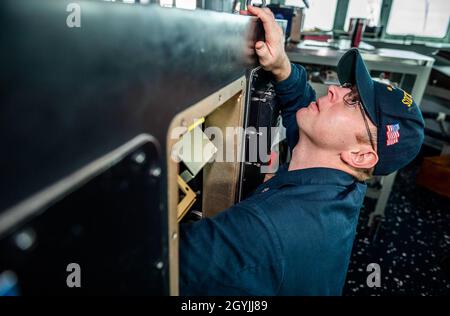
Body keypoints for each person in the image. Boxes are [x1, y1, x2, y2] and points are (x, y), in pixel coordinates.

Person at [179, 5, 425, 295]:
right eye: (348, 87)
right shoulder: (343, 178)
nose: (334, 89)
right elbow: (302, 102)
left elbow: (154, 264)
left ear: (360, 155)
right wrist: (281, 64)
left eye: (353, 101)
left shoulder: (262, 229)